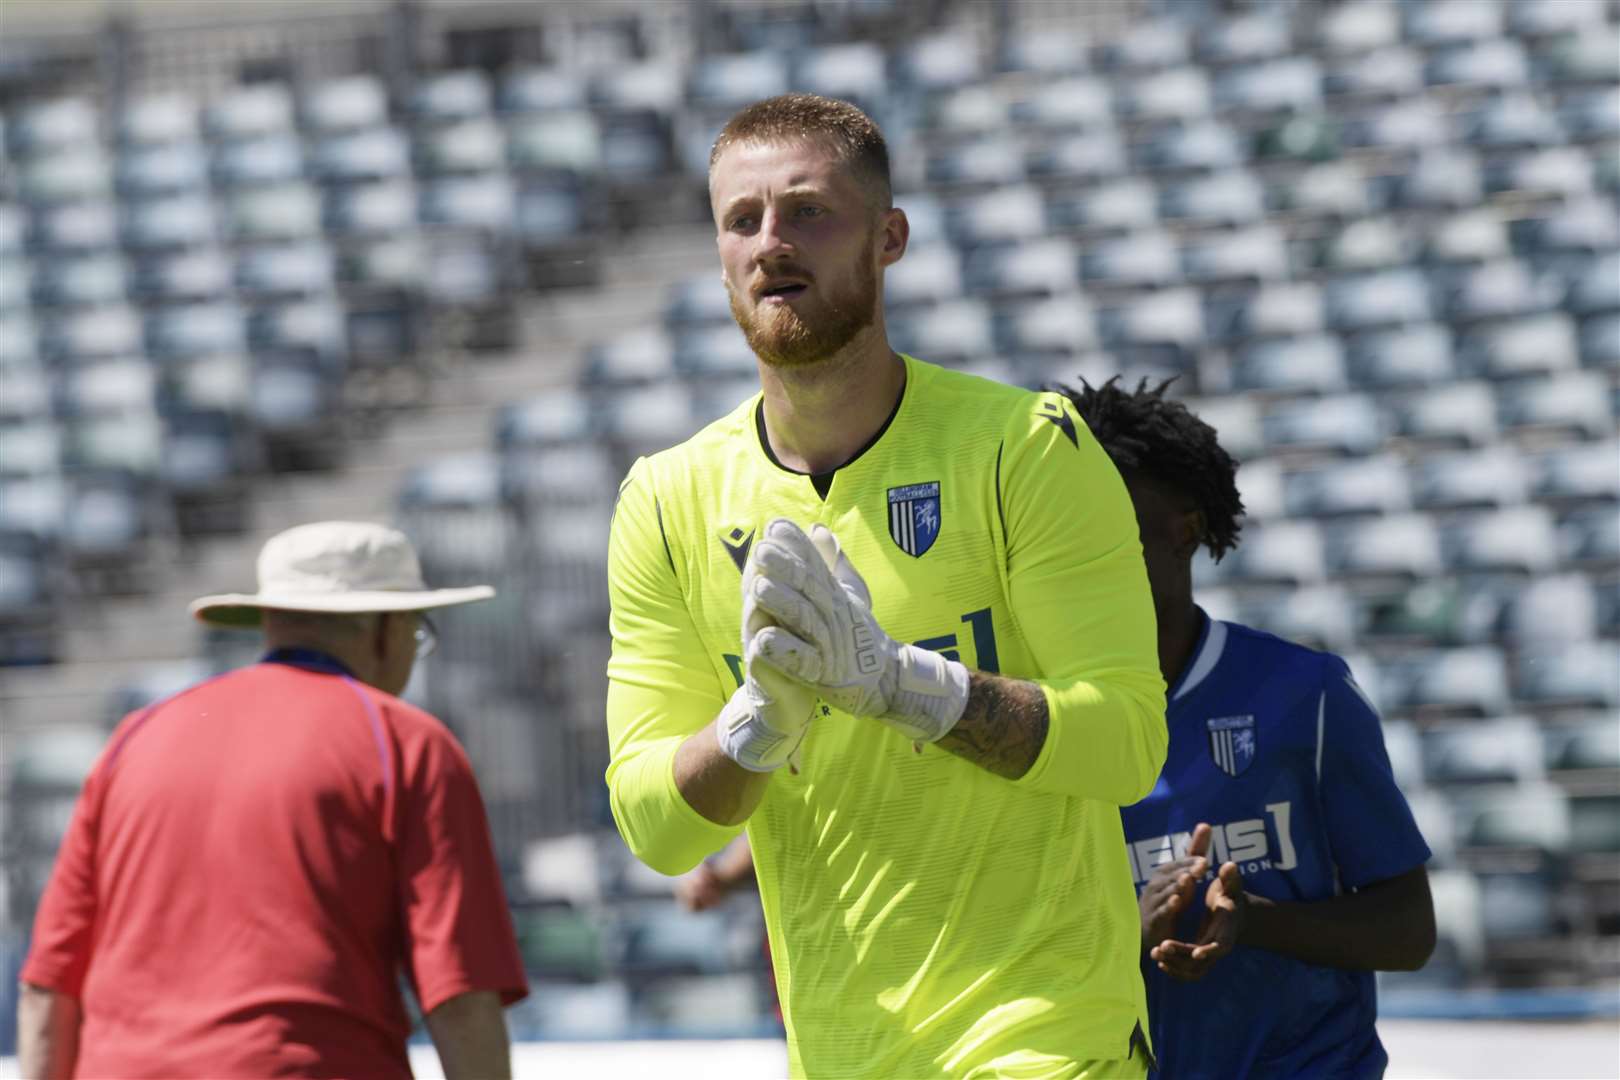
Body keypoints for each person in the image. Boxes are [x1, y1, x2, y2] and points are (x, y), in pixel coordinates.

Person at [604, 93, 1167, 1078]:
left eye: (808, 211)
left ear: (889, 236)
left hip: (1045, 1037)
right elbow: (655, 824)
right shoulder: (666, 497)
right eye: (743, 220)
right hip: (843, 1052)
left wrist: (905, 688)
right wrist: (758, 722)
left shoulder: (1024, 448)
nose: (771, 242)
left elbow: (1125, 743)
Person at [17, 521, 528, 1079]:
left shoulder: (135, 738)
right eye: (416, 632)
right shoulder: (406, 744)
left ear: (271, 620)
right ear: (386, 626)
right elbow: (461, 1000)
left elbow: (48, 990)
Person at [1059, 377, 1436, 1079]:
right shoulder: (1041, 725)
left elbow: (1410, 931)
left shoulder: (1306, 694)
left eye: (1111, 519)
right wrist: (1127, 935)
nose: (1085, 548)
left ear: (1185, 529)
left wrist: (1256, 921)